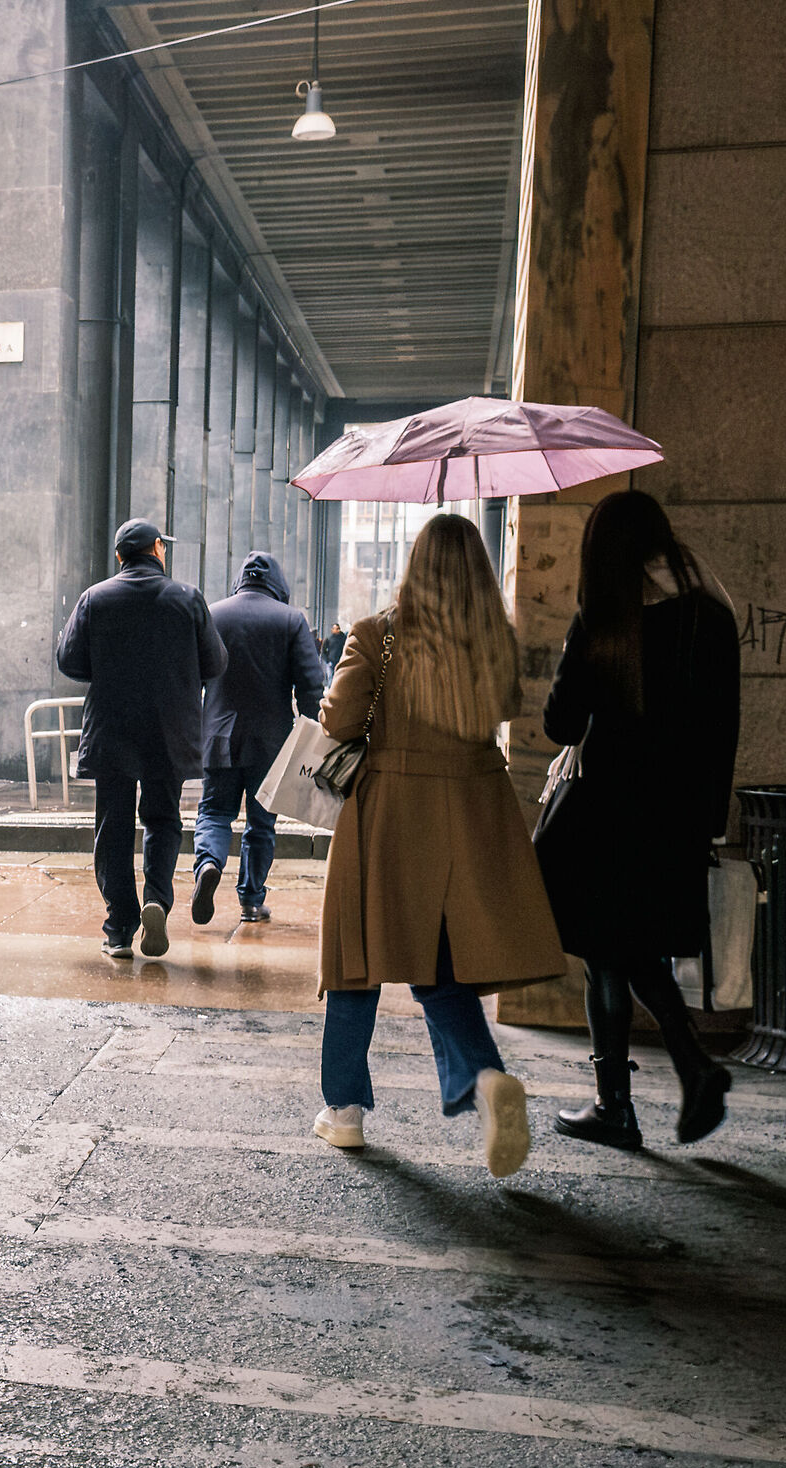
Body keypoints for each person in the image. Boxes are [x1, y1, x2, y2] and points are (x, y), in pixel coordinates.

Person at [314, 513, 562, 1178]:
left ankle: (344, 1113)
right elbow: (502, 709)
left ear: (415, 565)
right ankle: (485, 1079)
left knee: (357, 957)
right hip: (475, 811)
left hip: (392, 816)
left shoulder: (378, 635)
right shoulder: (495, 641)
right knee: (442, 970)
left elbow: (338, 720)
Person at [538, 489, 741, 1149]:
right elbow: (723, 730)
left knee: (606, 956)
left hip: (605, 818)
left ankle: (616, 1106)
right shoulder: (710, 615)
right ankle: (691, 1067)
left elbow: (561, 723)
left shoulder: (606, 618)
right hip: (677, 819)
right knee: (636, 949)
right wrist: (708, 819)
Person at [56, 518, 228, 961]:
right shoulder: (187, 598)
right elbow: (215, 663)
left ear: (119, 556)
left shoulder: (96, 598)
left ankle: (118, 929)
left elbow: (69, 660)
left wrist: (111, 665)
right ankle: (157, 898)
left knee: (113, 826)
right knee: (162, 818)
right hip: (170, 731)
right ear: (156, 549)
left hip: (112, 730)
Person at [193, 550, 328, 925]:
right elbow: (310, 686)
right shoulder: (290, 620)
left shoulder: (213, 613)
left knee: (215, 812)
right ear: (278, 583)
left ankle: (208, 863)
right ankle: (252, 900)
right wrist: (313, 733)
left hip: (217, 736)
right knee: (261, 823)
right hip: (272, 744)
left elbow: (195, 678)